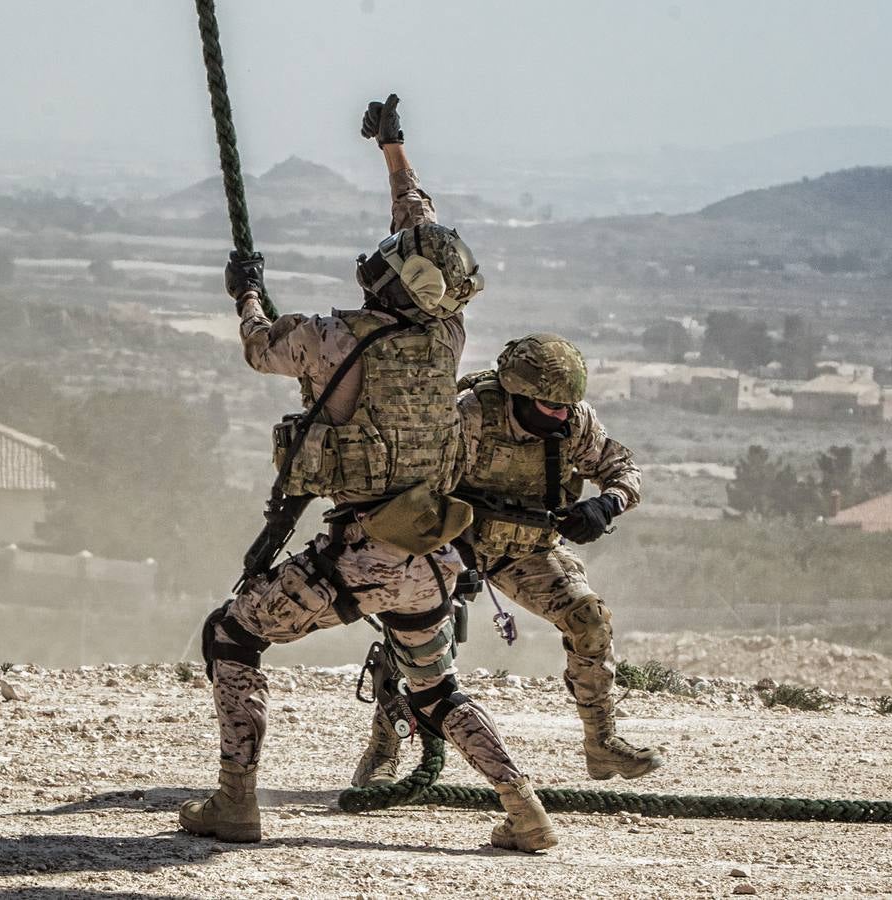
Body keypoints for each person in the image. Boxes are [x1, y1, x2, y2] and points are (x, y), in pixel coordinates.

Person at [179, 95, 556, 853]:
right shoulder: (447, 334)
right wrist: (395, 152)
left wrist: (247, 290)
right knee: (437, 687)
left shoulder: (329, 338)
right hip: (430, 558)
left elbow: (260, 346)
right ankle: (526, 811)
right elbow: (421, 233)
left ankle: (235, 801)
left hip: (360, 556)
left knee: (230, 636)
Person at [351, 333, 662, 788]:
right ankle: (384, 750)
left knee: (589, 620)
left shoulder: (574, 422)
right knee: (417, 634)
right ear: (518, 394)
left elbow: (622, 469)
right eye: (548, 405)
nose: (559, 414)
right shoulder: (472, 415)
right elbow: (415, 482)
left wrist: (607, 504)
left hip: (527, 549)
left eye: (565, 406)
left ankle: (602, 743)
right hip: (455, 543)